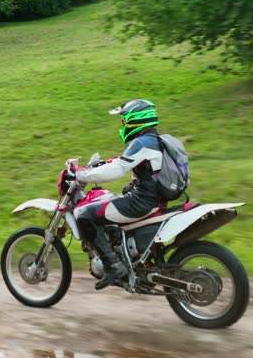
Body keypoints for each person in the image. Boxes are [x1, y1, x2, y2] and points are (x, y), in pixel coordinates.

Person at [68, 99, 186, 290]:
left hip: (140, 202)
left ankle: (113, 266)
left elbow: (117, 169)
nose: (122, 125)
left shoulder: (143, 142)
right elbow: (129, 164)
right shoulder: (157, 140)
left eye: (124, 121)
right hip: (154, 200)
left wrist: (80, 174)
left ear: (135, 120)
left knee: (85, 215)